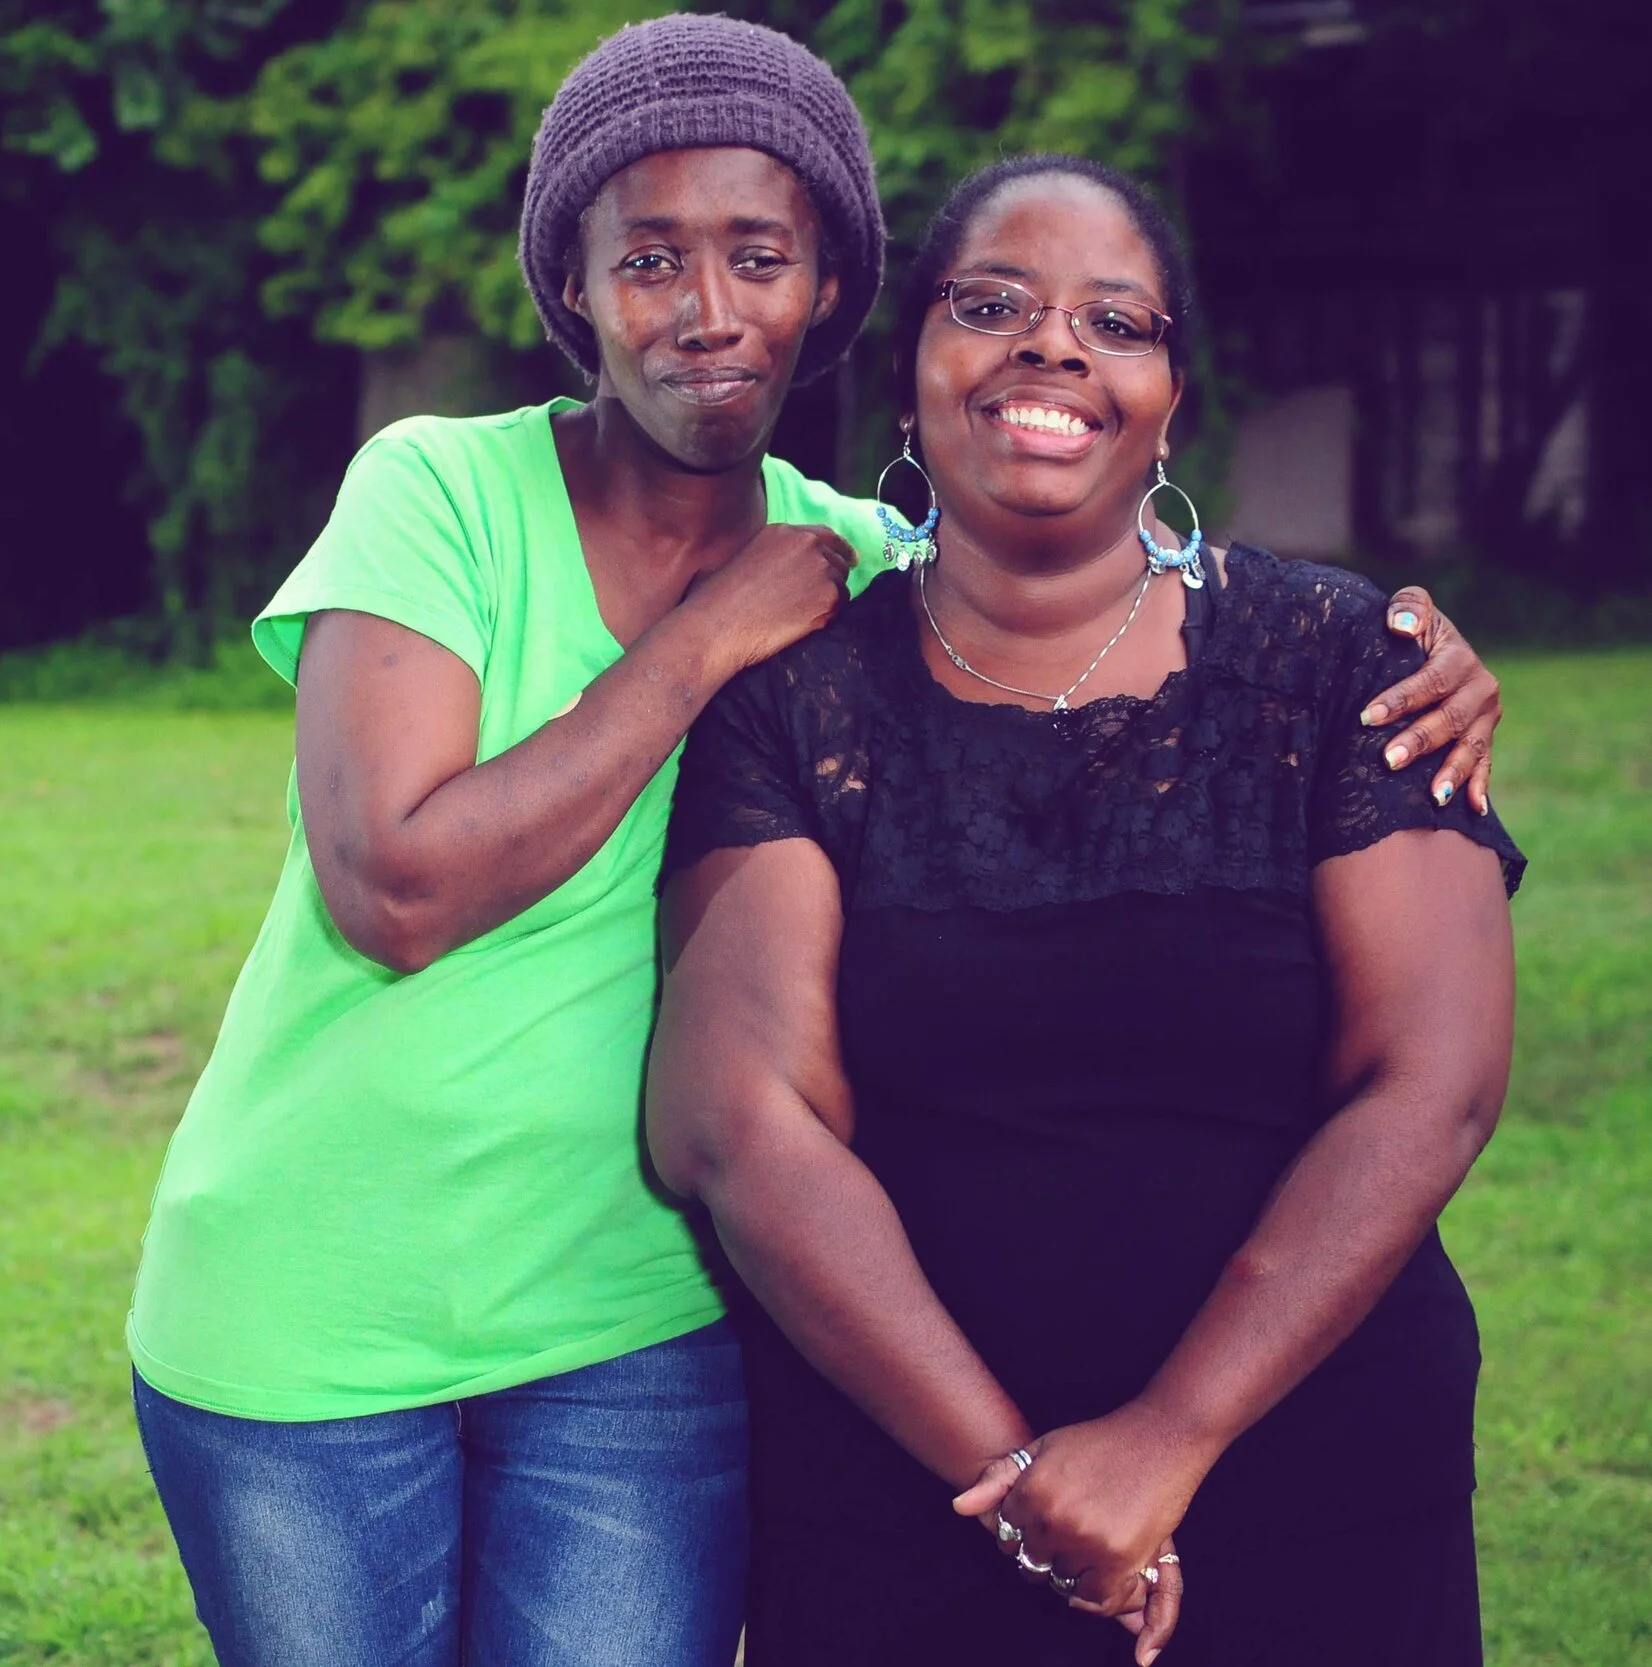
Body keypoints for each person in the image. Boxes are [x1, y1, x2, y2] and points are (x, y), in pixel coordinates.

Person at [129, 17, 1506, 1665]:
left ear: (830, 292)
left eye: (760, 257)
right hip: (319, 1300)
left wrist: (1400, 646)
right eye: (649, 259)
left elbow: (1067, 553)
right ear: (573, 285)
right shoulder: (447, 493)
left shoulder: (865, 566)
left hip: (632, 1322)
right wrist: (705, 639)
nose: (707, 309)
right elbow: (394, 887)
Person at [647, 153, 1522, 1667]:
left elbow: (1429, 1084)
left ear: (1169, 402)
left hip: (1311, 1481)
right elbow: (741, 1126)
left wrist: (1169, 1435)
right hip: (910, 1500)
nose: (1054, 346)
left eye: (1117, 323)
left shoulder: (1343, 662)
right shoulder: (789, 704)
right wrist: (1017, 1483)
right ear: (912, 370)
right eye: (993, 305)